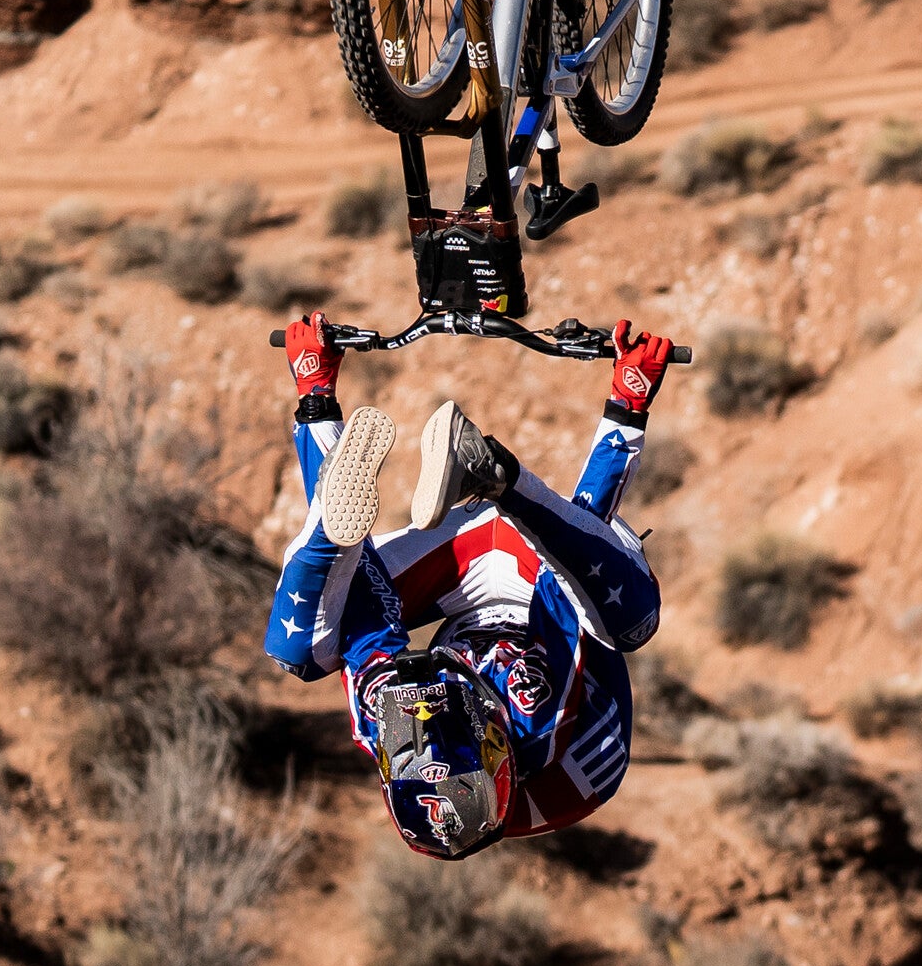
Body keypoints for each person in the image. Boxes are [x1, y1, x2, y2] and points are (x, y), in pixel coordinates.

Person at [265, 313, 674, 860]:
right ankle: (494, 473)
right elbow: (573, 572)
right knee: (631, 623)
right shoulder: (538, 710)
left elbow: (353, 583)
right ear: (495, 734)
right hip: (550, 604)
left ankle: (320, 512)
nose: (411, 707)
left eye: (405, 731)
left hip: (469, 585)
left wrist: (314, 397)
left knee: (301, 649)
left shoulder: (382, 716)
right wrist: (629, 405)